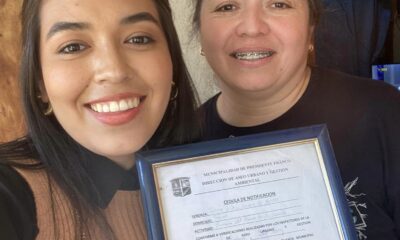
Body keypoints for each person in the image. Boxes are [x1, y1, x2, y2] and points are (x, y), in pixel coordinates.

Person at [192, 0, 400, 239]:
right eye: (226, 7)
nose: (251, 27)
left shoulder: (383, 112)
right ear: (200, 32)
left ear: (311, 28)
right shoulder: (179, 146)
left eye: (279, 4)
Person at [0, 0, 199, 239]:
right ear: (40, 83)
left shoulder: (212, 171)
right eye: (73, 47)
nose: (114, 71)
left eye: (138, 39)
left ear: (172, 64)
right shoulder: (10, 193)